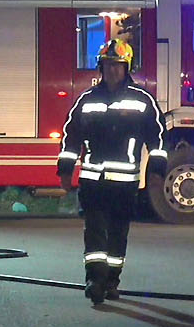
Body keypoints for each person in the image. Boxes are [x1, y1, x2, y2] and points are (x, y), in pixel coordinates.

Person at [56, 38, 168, 305]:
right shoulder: (87, 100)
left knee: (118, 233)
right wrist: (65, 171)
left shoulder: (142, 100)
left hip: (125, 184)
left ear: (126, 68)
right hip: (93, 181)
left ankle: (112, 281)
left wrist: (157, 170)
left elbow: (158, 138)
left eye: (117, 66)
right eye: (107, 65)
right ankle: (95, 280)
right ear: (101, 68)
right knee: (94, 231)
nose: (112, 71)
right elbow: (71, 137)